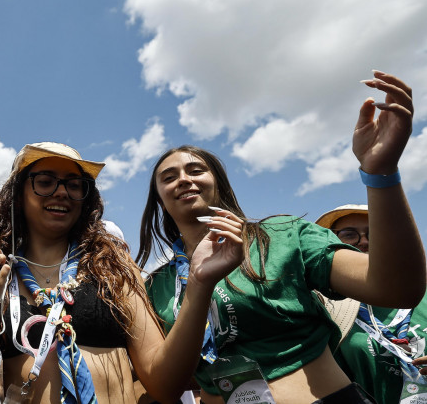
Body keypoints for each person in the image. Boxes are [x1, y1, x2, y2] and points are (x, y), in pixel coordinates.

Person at [136, 72, 424, 403]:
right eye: (168, 177)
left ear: (220, 183)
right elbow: (165, 386)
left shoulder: (283, 237)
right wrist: (198, 286)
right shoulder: (156, 285)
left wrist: (381, 174)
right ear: (159, 198)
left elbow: (397, 288)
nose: (184, 179)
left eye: (196, 170)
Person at [0, 142, 243, 404]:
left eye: (75, 185)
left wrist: (199, 284)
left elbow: (165, 383)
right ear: (18, 195)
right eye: (44, 182)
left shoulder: (112, 266)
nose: (61, 192)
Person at [316, 204, 427, 404]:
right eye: (349, 235)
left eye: (374, 233)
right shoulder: (321, 307)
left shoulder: (422, 290)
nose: (364, 242)